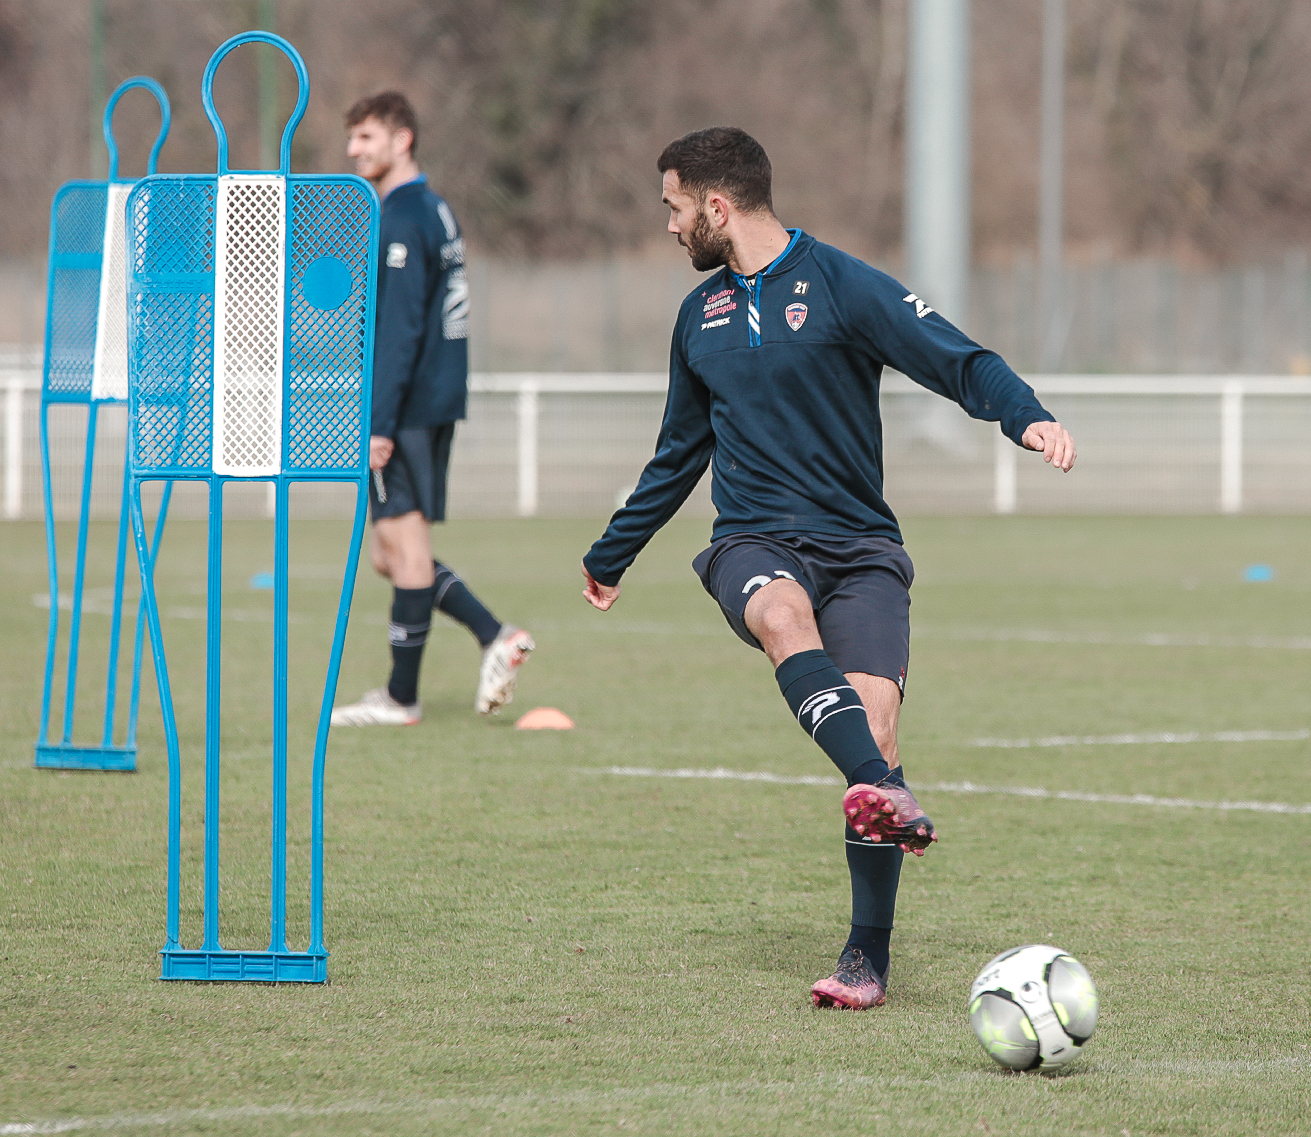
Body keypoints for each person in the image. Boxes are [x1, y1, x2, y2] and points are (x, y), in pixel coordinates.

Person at [579, 127, 1075, 1009]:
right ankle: (891, 795)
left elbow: (955, 356)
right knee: (780, 619)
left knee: (876, 726)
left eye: (673, 207)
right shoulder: (701, 317)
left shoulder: (844, 285)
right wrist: (613, 552)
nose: (669, 227)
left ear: (716, 206)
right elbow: (678, 453)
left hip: (861, 548)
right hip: (754, 541)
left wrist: (1023, 417)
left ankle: (864, 958)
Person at [330, 91, 534, 727]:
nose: (353, 150)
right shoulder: (435, 209)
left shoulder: (400, 215)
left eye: (366, 137)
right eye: (353, 138)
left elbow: (399, 329)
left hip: (407, 406)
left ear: (402, 139)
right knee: (389, 556)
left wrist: (378, 424)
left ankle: (400, 697)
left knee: (405, 553)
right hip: (433, 400)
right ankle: (494, 634)